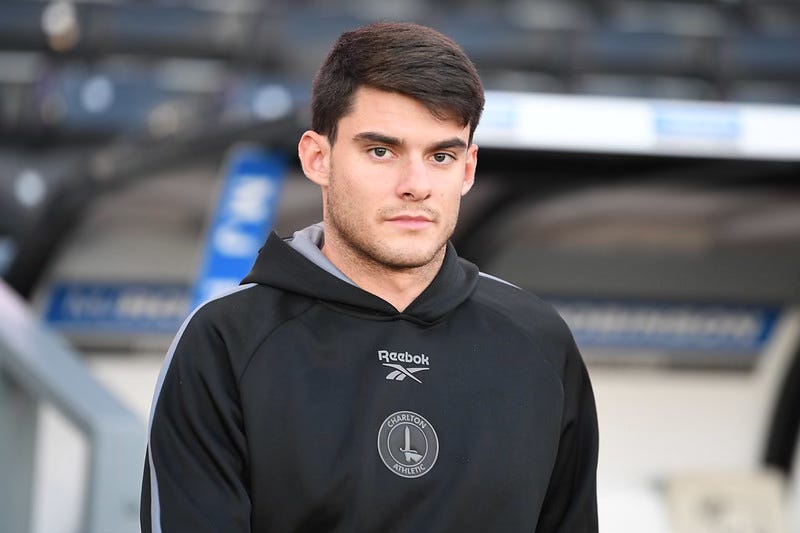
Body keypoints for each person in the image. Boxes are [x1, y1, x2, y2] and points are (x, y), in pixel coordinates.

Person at [141, 21, 599, 532]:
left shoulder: (539, 342)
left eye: (441, 156)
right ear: (318, 158)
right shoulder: (224, 342)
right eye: (381, 151)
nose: (415, 185)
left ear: (468, 170)